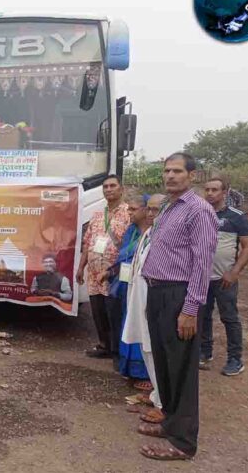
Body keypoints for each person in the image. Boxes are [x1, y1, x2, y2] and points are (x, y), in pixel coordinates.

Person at [139, 153, 218, 461]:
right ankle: (169, 422)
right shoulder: (170, 208)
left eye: (177, 171)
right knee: (164, 363)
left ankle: (183, 443)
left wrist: (190, 309)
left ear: (192, 176)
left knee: (182, 368)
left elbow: (202, 264)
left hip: (179, 296)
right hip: (157, 293)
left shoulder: (199, 211)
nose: (170, 176)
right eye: (166, 171)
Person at [201, 177, 248, 376]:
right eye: (207, 189)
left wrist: (234, 272)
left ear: (225, 192)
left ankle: (235, 359)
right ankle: (205, 352)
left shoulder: (236, 217)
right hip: (201, 278)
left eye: (214, 189)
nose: (210, 193)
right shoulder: (199, 215)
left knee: (229, 318)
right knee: (203, 316)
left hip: (225, 279)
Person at [76, 174, 130, 366]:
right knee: (98, 312)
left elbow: (130, 245)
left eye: (112, 186)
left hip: (113, 274)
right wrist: (81, 267)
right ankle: (104, 345)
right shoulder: (98, 215)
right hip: (93, 274)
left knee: (114, 312)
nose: (108, 189)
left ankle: (117, 351)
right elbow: (87, 242)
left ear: (121, 189)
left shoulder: (129, 213)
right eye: (105, 186)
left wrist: (114, 270)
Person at [122, 194, 166, 424]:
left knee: (155, 351)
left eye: (156, 210)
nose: (150, 214)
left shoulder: (166, 237)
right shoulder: (148, 234)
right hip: (139, 297)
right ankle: (156, 394)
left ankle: (163, 404)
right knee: (146, 348)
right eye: (149, 209)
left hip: (155, 302)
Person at [101, 193, 149, 384]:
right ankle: (127, 366)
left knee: (140, 325)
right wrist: (110, 272)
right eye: (128, 209)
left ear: (145, 210)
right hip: (124, 283)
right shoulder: (131, 231)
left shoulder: (154, 232)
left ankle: (144, 373)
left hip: (143, 286)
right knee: (125, 323)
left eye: (134, 209)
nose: (129, 212)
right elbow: (123, 257)